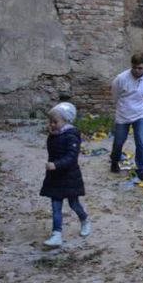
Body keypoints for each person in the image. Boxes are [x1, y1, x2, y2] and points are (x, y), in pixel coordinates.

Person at [40, 102, 90, 248]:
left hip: (69, 177)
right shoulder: (54, 136)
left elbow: (72, 157)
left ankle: (85, 220)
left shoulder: (71, 137)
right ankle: (57, 234)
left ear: (66, 121)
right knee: (56, 206)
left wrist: (56, 165)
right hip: (55, 177)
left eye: (56, 122)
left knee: (74, 204)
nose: (53, 125)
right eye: (51, 122)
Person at [110, 53, 143, 183]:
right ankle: (114, 160)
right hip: (123, 114)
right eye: (135, 67)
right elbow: (115, 93)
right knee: (119, 141)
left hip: (140, 114)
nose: (137, 70)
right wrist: (123, 106)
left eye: (140, 68)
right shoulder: (121, 78)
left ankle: (142, 170)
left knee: (141, 142)